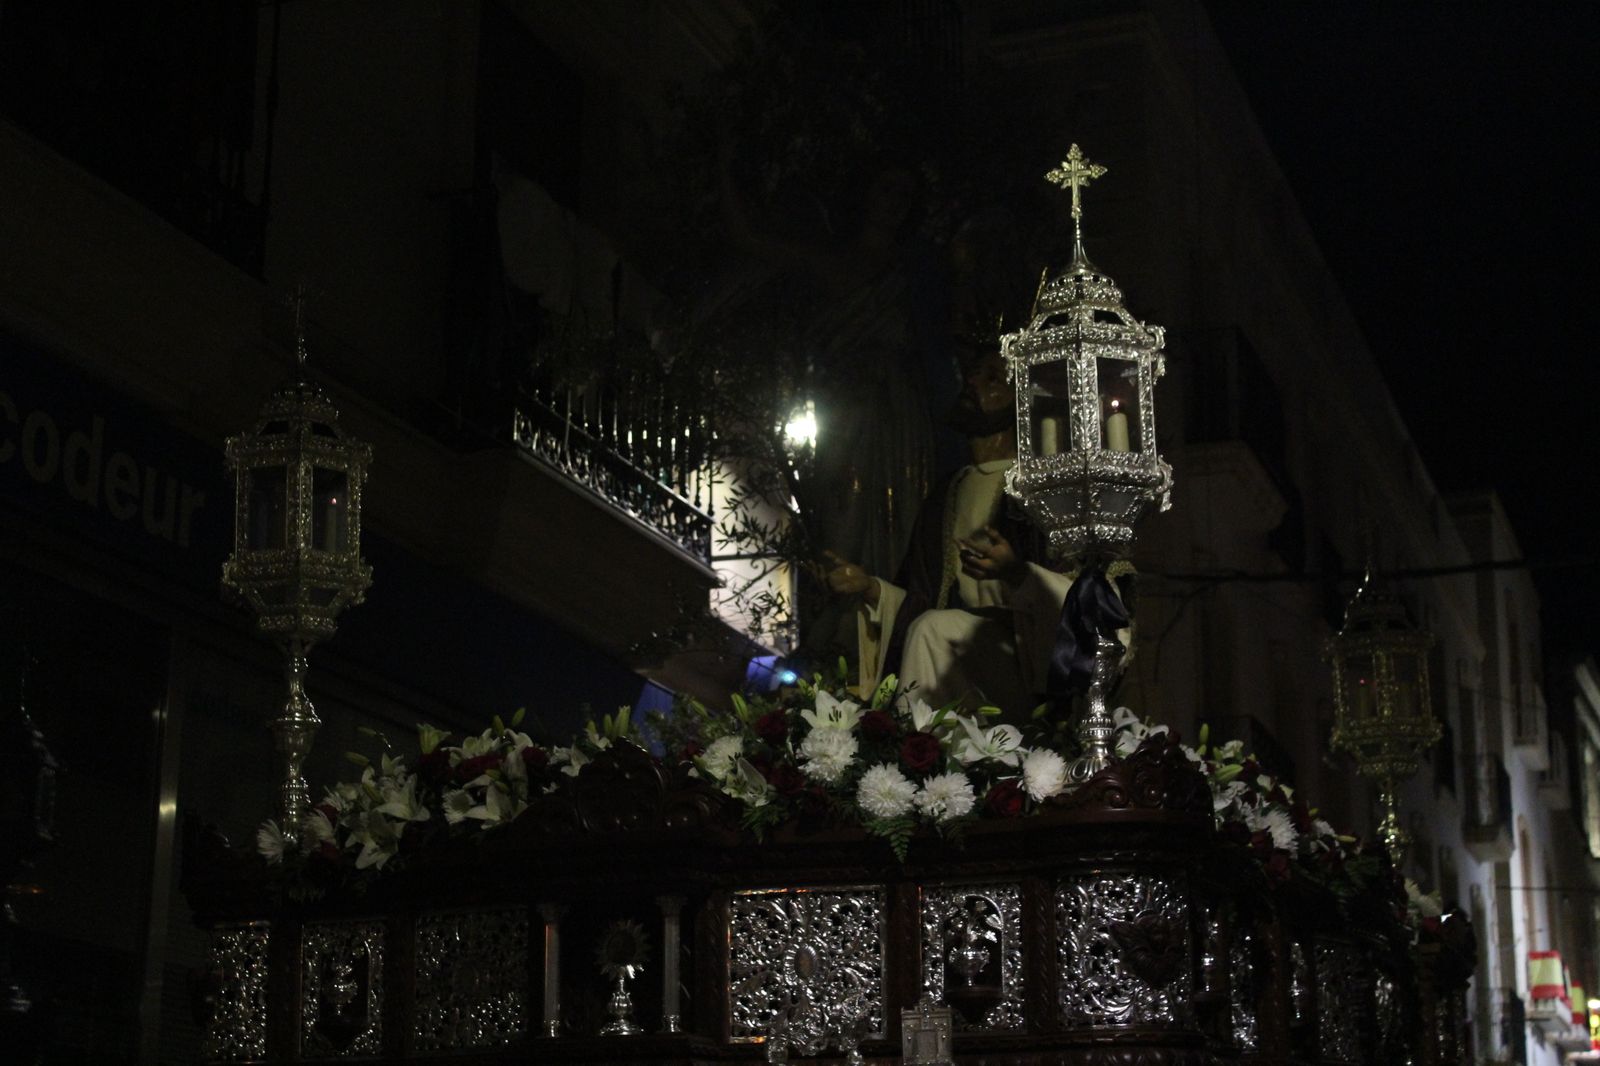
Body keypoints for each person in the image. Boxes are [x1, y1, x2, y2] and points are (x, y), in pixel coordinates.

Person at [823, 348, 1083, 715]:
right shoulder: (948, 493)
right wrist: (871, 588)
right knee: (931, 628)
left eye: (992, 378)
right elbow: (920, 601)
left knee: (932, 630)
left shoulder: (1044, 489)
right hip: (958, 648)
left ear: (1021, 399)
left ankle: (908, 750)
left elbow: (1082, 597)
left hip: (1028, 654)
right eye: (972, 374)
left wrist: (1015, 572)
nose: (973, 383)